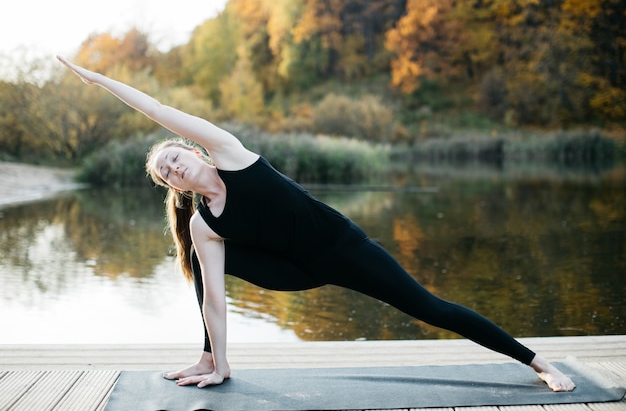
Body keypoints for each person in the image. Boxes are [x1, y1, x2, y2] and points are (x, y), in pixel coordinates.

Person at [57, 56, 576, 392]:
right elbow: (214, 298)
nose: (174, 165)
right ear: (174, 185)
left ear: (192, 150)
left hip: (342, 247)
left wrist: (98, 80)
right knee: (200, 261)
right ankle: (210, 360)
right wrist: (221, 360)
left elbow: (157, 108)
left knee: (429, 307)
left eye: (174, 156)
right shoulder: (202, 223)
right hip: (293, 270)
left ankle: (536, 363)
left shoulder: (230, 153)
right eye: (166, 171)